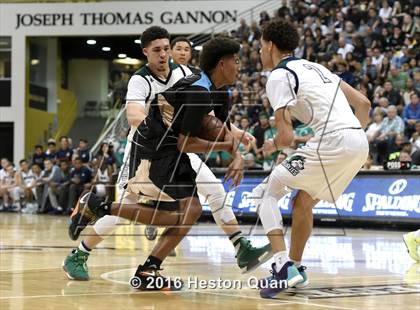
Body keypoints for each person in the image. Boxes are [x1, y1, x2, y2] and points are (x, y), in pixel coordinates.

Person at [63, 26, 270, 282]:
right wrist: (162, 124)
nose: (163, 55)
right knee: (129, 209)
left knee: (213, 193)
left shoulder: (186, 74)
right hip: (147, 147)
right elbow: (134, 115)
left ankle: (241, 247)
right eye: (157, 50)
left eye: (166, 49)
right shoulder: (141, 79)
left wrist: (236, 134)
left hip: (181, 145)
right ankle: (80, 253)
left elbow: (208, 115)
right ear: (146, 52)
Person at [254, 20, 370, 298]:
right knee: (302, 201)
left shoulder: (279, 76)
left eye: (260, 47)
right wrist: (351, 140)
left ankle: (282, 269)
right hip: (358, 141)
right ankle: (295, 267)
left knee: (263, 194)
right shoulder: (317, 67)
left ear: (269, 45)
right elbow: (364, 103)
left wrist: (270, 145)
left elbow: (286, 137)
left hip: (333, 142)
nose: (259, 53)